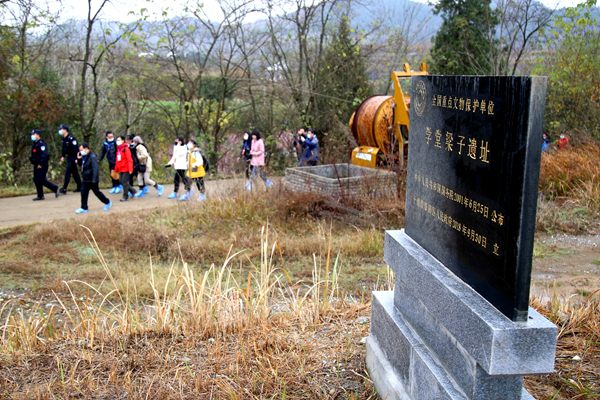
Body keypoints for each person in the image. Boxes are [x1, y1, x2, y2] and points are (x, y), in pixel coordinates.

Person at [74, 143, 112, 214]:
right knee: (83, 193)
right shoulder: (84, 157)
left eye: (82, 150)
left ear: (86, 149)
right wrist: (79, 160)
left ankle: (107, 202)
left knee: (96, 192)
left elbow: (95, 168)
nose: (80, 152)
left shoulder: (92, 157)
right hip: (85, 179)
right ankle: (84, 207)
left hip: (92, 179)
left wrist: (94, 179)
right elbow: (82, 166)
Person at [29, 129, 60, 201]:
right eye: (32, 134)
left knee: (42, 179)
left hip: (42, 164)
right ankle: (40, 195)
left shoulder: (41, 144)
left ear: (38, 135)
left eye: (34, 134)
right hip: (36, 164)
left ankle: (55, 188)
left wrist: (41, 163)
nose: (32, 136)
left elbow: (44, 155)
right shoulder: (34, 143)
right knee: (36, 180)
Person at [58, 124, 82, 194]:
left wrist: (76, 158)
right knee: (75, 173)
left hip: (73, 158)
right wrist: (63, 156)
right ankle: (80, 187)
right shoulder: (63, 138)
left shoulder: (71, 138)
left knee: (68, 172)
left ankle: (64, 188)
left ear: (65, 130)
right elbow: (64, 148)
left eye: (61, 129)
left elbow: (76, 149)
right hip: (69, 157)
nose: (59, 131)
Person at [114, 135, 137, 201]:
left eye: (119, 140)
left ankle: (125, 196)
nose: (117, 142)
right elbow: (117, 160)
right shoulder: (118, 149)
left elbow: (129, 159)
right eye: (117, 140)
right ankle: (133, 190)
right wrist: (116, 169)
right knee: (121, 181)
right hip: (121, 168)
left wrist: (130, 169)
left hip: (126, 168)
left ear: (123, 141)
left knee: (124, 182)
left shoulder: (126, 148)